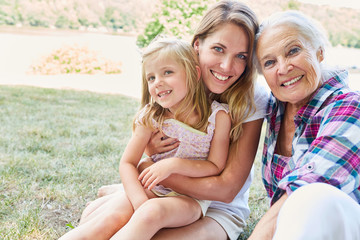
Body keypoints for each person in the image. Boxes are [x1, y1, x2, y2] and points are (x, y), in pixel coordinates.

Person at [77, 1, 269, 239]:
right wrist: (150, 157)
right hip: (161, 190)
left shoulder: (251, 98)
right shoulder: (174, 81)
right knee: (105, 220)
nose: (227, 66)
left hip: (217, 207)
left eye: (241, 56)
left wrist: (153, 168)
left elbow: (227, 190)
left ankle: (116, 194)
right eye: (218, 49)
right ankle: (116, 196)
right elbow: (145, 146)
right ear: (198, 45)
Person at [60, 36, 232, 239]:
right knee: (112, 217)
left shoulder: (217, 117)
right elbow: (127, 163)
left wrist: (173, 165)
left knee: (151, 214)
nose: (158, 82)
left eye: (167, 72)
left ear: (194, 74)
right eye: (151, 77)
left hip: (190, 200)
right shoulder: (151, 117)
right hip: (150, 190)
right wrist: (139, 201)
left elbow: (215, 165)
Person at [249, 10, 360, 240]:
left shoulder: (351, 105)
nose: (283, 68)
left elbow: (311, 181)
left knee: (311, 196)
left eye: (293, 51)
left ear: (319, 52)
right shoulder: (275, 107)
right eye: (270, 62)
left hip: (344, 228)